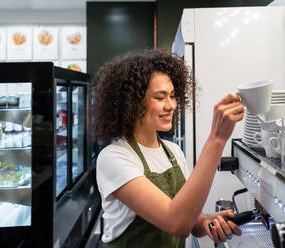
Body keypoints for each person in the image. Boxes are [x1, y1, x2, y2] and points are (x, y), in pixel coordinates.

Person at [93, 49, 245, 248]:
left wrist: (208, 222)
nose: (171, 105)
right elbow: (176, 223)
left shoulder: (173, 152)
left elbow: (192, 222)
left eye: (173, 96)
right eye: (160, 97)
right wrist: (216, 139)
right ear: (134, 103)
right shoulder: (114, 158)